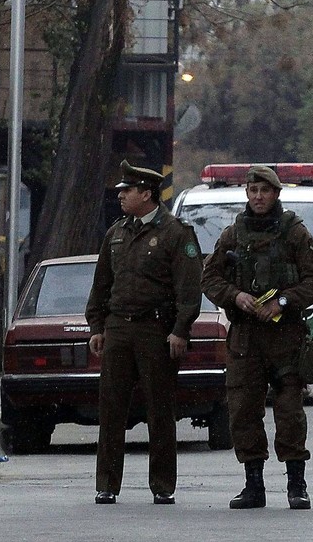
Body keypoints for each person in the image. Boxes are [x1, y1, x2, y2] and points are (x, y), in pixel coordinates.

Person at [201, 165, 313, 510]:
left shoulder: (295, 233)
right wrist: (234, 296)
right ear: (247, 194)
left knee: (289, 412)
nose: (258, 197)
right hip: (245, 338)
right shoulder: (232, 235)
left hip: (285, 337)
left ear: (276, 194)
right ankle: (253, 485)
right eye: (253, 190)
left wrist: (282, 302)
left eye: (265, 191)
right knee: (243, 410)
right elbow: (209, 277)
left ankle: (296, 484)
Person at [87, 160, 202, 506]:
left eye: (128, 190)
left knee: (160, 409)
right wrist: (97, 325)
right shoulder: (117, 232)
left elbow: (189, 288)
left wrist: (181, 329)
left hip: (156, 329)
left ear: (147, 193)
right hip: (119, 328)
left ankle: (162, 484)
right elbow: (101, 285)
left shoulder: (175, 233)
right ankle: (107, 483)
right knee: (111, 408)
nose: (121, 196)